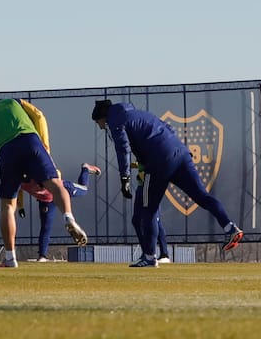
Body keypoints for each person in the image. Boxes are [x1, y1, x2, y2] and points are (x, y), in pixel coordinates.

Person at [92, 99, 243, 267]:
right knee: (202, 196)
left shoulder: (115, 120)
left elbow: (123, 148)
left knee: (147, 210)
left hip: (158, 161)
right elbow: (169, 128)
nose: (101, 127)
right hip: (180, 153)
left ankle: (150, 257)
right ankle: (230, 227)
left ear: (103, 117)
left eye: (99, 123)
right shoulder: (140, 114)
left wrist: (125, 177)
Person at [0, 98, 87, 269]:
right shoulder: (13, 102)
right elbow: (39, 116)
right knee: (55, 184)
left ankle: (10, 258)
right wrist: (45, 146)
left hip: (7, 152)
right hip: (32, 142)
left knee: (8, 206)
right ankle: (69, 217)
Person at [17, 162, 100, 261]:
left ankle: (85, 168)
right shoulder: (18, 181)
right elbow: (18, 192)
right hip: (46, 200)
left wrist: (54, 184)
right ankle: (42, 256)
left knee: (84, 189)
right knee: (46, 226)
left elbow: (57, 173)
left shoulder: (38, 171)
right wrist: (20, 207)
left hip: (63, 189)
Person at [131, 162, 171, 264]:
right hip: (142, 186)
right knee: (136, 221)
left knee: (155, 219)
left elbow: (153, 162)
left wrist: (140, 165)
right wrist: (137, 164)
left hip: (151, 186)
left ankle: (164, 254)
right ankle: (147, 253)